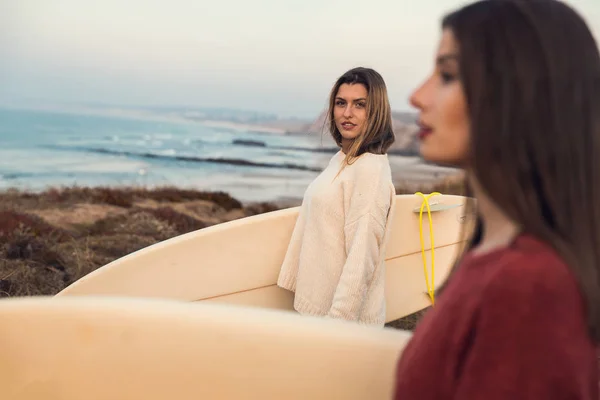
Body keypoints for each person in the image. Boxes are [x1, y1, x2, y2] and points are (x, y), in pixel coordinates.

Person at [393, 0, 600, 398]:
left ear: (519, 94)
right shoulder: (497, 257)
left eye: (448, 74)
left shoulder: (529, 288)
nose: (417, 96)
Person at [277, 67, 396, 326]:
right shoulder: (344, 159)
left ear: (376, 112)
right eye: (341, 103)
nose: (347, 113)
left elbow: (361, 258)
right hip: (318, 312)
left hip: (340, 323)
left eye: (360, 105)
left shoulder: (370, 171)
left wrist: (336, 325)